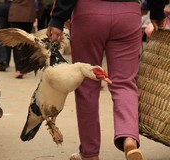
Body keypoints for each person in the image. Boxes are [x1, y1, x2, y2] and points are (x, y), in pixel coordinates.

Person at [47, 0, 143, 160]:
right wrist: (157, 12)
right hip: (128, 14)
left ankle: (89, 153)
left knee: (87, 85)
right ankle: (129, 139)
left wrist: (57, 18)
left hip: (89, 13)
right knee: (124, 83)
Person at [8, 0, 45, 78]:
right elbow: (42, 2)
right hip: (29, 15)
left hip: (15, 14)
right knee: (26, 42)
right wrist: (38, 15)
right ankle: (23, 68)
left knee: (16, 42)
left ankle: (19, 69)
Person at [0, 0, 12, 71]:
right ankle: (7, 60)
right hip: (13, 6)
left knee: (1, 34)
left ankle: (3, 61)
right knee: (10, 34)